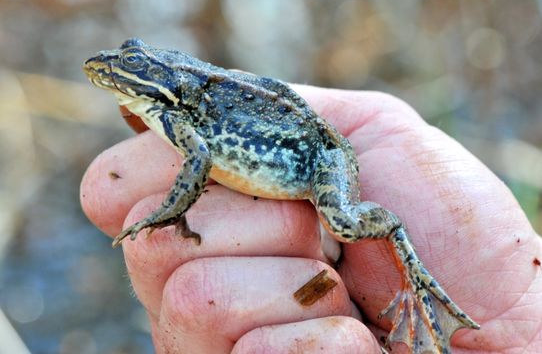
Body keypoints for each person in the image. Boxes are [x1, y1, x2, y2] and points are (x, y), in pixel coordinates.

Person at [81, 86, 542, 353]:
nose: (109, 71)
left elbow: (199, 157)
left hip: (317, 155)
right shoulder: (167, 110)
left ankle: (418, 279)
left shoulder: (177, 110)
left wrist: (167, 214)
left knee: (341, 221)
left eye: (128, 66)